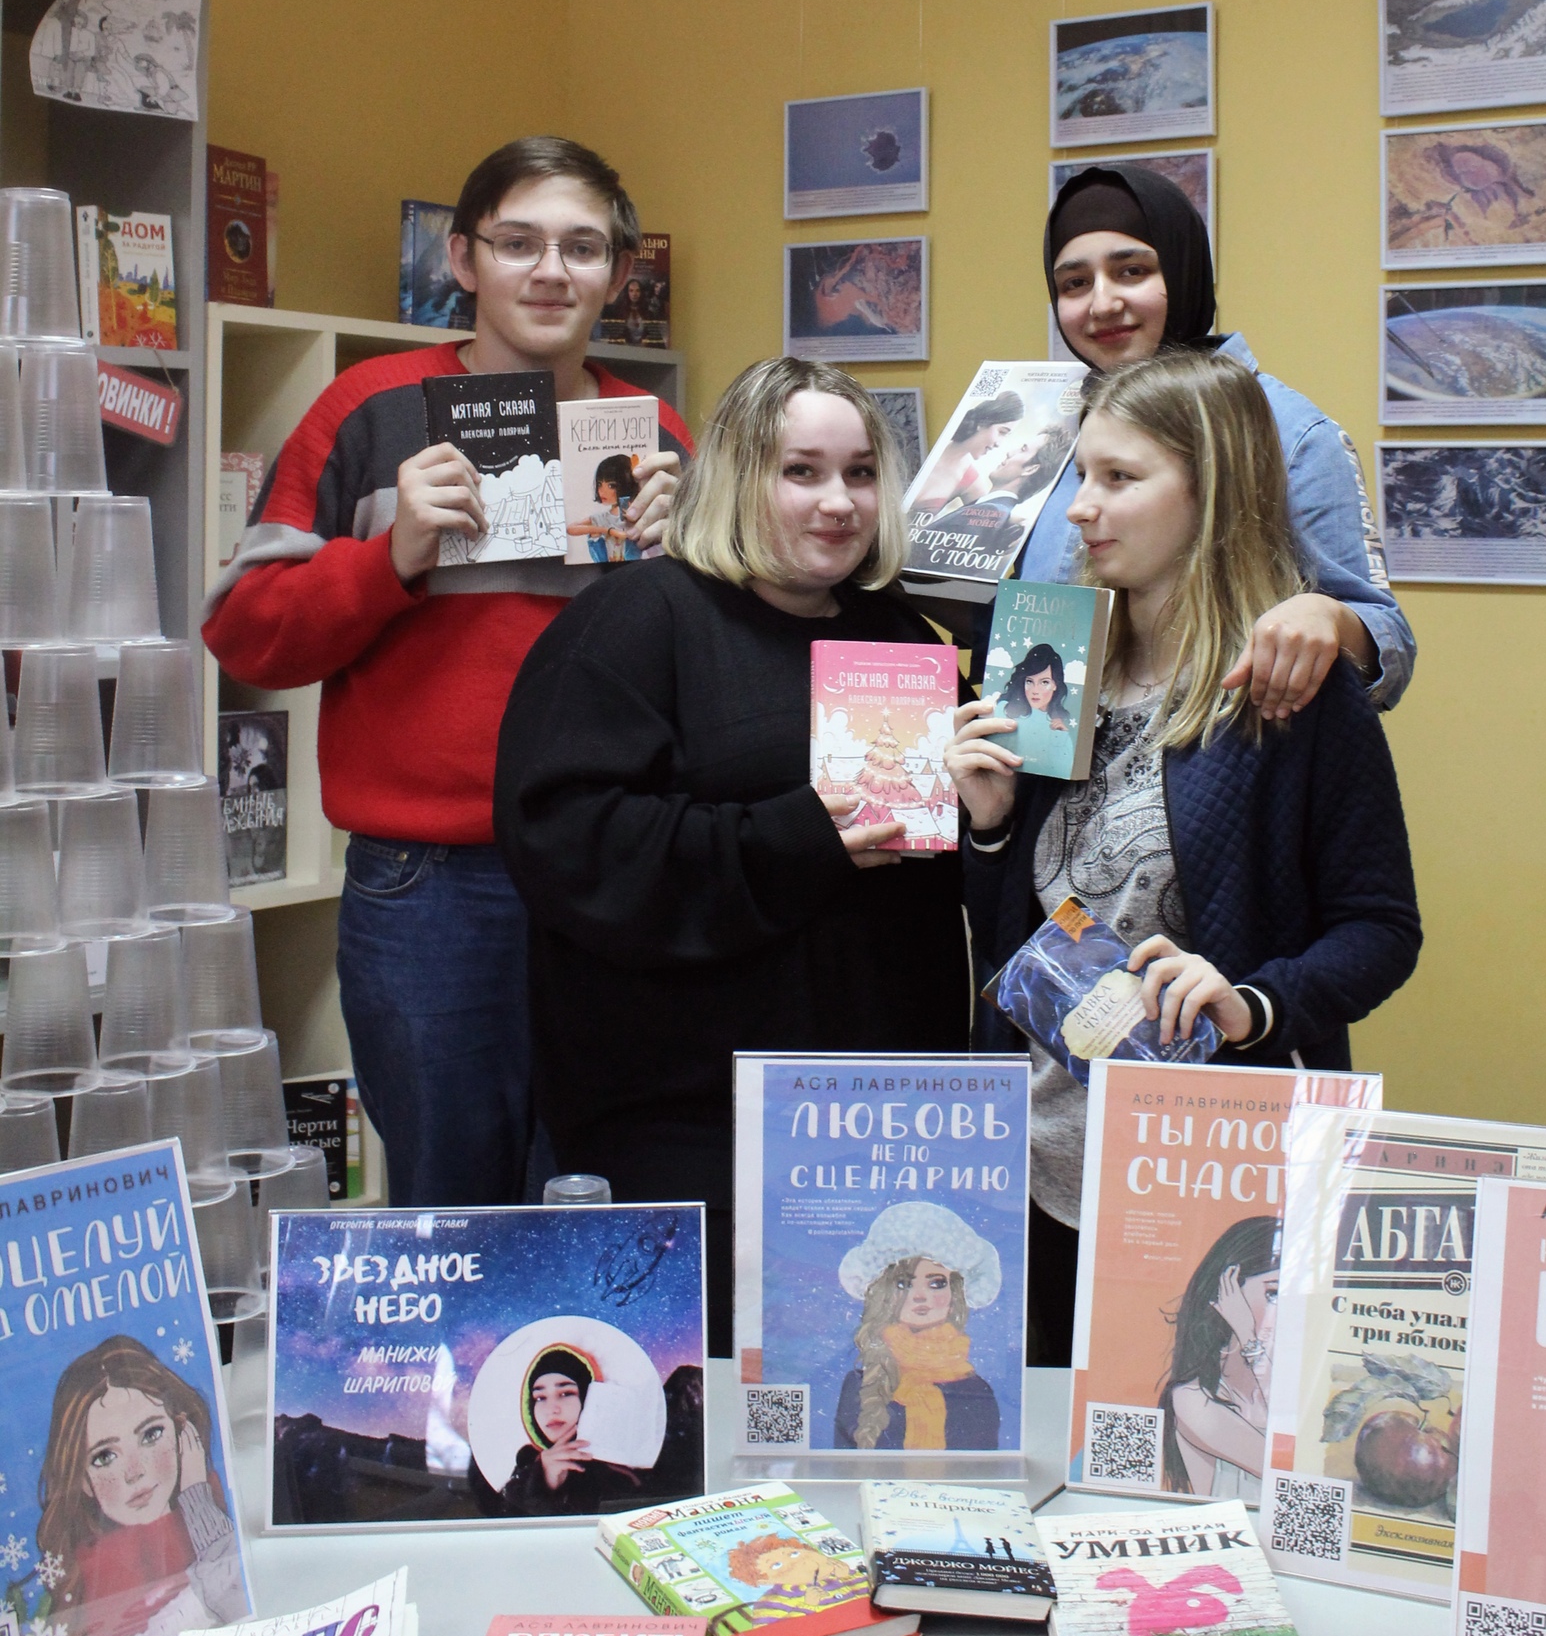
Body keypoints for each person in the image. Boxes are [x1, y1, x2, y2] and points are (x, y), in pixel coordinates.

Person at [203, 137, 691, 1208]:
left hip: (613, 870)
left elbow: (707, 665)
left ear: (618, 273)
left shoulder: (654, 434)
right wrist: (391, 559)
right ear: (464, 260)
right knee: (448, 1207)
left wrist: (688, 560)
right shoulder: (367, 409)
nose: (550, 271)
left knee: (600, 1196)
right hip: (429, 884)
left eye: (581, 248)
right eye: (518, 244)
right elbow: (245, 635)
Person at [948, 352, 1420, 1363]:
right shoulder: (1051, 660)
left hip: (1208, 1172)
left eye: (1119, 478)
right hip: (1031, 1165)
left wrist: (1251, 1003)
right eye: (1080, 474)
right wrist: (987, 826)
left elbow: (1380, 930)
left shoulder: (1291, 693)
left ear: (1211, 492)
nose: (1081, 507)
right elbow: (1008, 937)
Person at [493, 358, 969, 1355]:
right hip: (688, 1118)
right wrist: (792, 838)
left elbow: (940, 866)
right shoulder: (637, 621)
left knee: (861, 1385)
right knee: (701, 1395)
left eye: (860, 473)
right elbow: (569, 844)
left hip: (875, 1124)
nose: (838, 501)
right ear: (736, 478)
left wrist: (987, 815)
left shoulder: (899, 635)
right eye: (801, 471)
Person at [1024, 164, 1416, 718]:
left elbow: (1389, 650)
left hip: (1215, 751)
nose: (1102, 304)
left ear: (1182, 269)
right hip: (1052, 754)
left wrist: (1326, 617)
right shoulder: (1043, 428)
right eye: (1075, 283)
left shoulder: (1289, 433)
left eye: (1132, 271)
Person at [36, 1335, 249, 1636]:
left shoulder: (210, 1505)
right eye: (104, 1457)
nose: (134, 1471)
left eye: (151, 1435)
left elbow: (240, 1607)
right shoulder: (96, 1574)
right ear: (82, 1480)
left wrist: (197, 1500)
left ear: (181, 1432)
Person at [833, 1203, 1003, 1451]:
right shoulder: (861, 1384)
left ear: (955, 1292)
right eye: (904, 1283)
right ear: (884, 1293)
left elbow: (984, 1468)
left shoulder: (976, 1391)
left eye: (936, 1283)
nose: (920, 1296)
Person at [1157, 1215, 1280, 1501]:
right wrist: (1248, 1336)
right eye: (1273, 1293)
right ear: (1226, 1295)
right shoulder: (1193, 1399)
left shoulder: (1288, 1385)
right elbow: (1290, 1470)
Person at [499, 1344, 639, 1516]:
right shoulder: (526, 1465)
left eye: (566, 1393)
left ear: (589, 1398)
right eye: (540, 1397)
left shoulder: (623, 1467)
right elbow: (501, 1522)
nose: (551, 1409)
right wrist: (543, 1482)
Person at [911, 390, 1023, 512]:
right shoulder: (924, 442)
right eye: (1001, 432)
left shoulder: (970, 480)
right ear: (983, 422)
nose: (998, 444)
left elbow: (990, 515)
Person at [726, 1532, 871, 1619]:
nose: (797, 1562)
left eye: (794, 1553)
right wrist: (807, 1606)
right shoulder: (771, 1602)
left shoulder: (836, 1576)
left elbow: (872, 1602)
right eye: (777, 1565)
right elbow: (775, 1635)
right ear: (764, 1580)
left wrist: (848, 1578)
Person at [996, 642, 1076, 777]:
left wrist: (1060, 739)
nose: (1035, 690)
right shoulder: (1003, 709)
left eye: (1044, 682)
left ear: (1055, 684)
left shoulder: (1059, 730)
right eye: (1029, 681)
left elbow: (1064, 771)